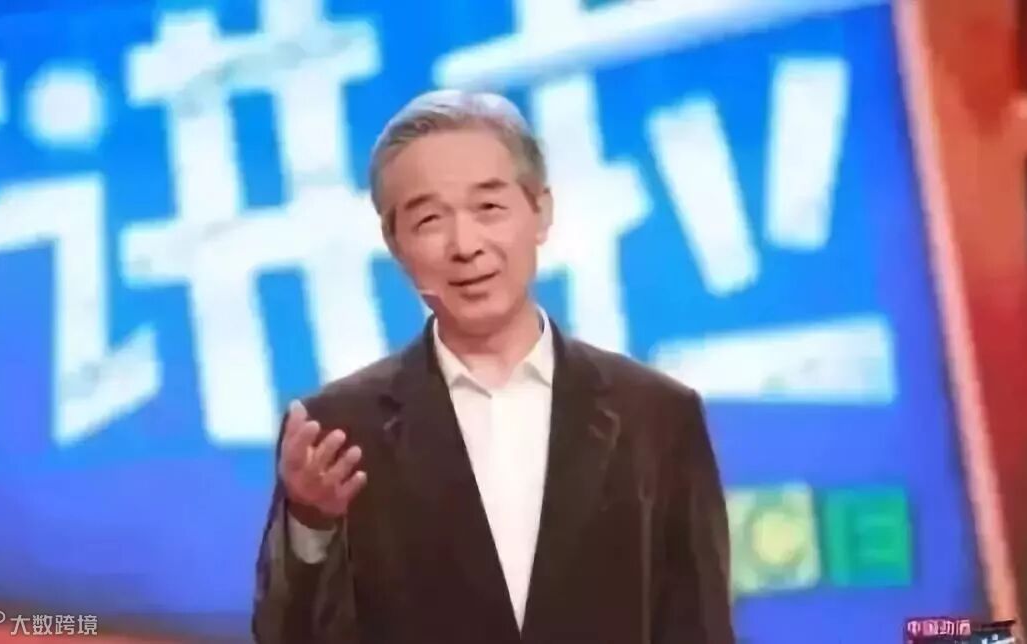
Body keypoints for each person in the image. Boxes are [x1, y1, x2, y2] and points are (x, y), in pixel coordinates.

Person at [251, 90, 735, 644]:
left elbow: (699, 627)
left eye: (489, 208)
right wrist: (310, 525)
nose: (465, 245)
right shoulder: (338, 432)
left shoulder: (657, 416)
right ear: (395, 242)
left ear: (540, 212)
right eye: (429, 219)